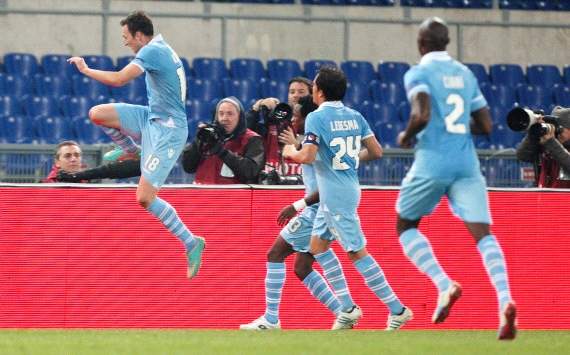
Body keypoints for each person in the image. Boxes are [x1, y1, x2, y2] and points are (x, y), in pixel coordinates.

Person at [395, 17, 516, 340]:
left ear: (421, 44)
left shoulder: (418, 72)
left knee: (405, 226)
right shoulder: (465, 74)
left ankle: (443, 283)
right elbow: (487, 126)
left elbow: (421, 114)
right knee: (483, 235)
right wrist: (457, 128)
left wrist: (406, 135)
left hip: (432, 160)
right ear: (446, 43)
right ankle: (505, 300)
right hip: (466, 162)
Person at [67, 10, 205, 279]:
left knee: (144, 197)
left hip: (169, 130)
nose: (125, 43)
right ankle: (134, 150)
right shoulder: (159, 48)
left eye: (126, 37)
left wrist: (85, 69)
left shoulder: (153, 51)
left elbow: (119, 79)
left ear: (140, 36)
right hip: (150, 118)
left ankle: (191, 242)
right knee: (97, 114)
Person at [283, 66, 413, 331]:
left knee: (356, 252)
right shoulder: (355, 116)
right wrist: (349, 162)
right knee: (317, 248)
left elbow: (306, 156)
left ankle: (398, 310)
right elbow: (376, 151)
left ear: (318, 91)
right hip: (345, 189)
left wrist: (290, 151)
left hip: (337, 196)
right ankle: (348, 309)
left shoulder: (317, 118)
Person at [240, 95, 345, 330]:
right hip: (324, 211)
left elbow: (325, 185)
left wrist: (296, 206)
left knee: (275, 254)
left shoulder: (313, 143)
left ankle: (271, 319)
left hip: (315, 212)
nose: (293, 119)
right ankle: (342, 312)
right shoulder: (317, 139)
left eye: (297, 116)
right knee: (302, 268)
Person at [181, 96, 265, 184]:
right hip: (202, 194)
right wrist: (198, 142)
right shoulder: (209, 135)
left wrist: (222, 152)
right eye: (221, 113)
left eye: (230, 114)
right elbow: (188, 167)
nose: (224, 118)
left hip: (232, 196)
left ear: (239, 117)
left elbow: (250, 172)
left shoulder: (253, 139)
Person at [247, 77, 313, 180]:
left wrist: (297, 144)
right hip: (273, 177)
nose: (295, 95)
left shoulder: (315, 121)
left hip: (301, 180)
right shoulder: (280, 114)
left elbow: (319, 154)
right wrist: (257, 108)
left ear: (311, 94)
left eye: (301, 92)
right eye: (292, 92)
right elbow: (247, 133)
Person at [516, 106, 570, 188]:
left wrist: (551, 142)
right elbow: (522, 155)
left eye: (561, 128)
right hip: (544, 198)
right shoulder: (546, 143)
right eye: (555, 126)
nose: (556, 131)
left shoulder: (550, 143)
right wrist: (532, 134)